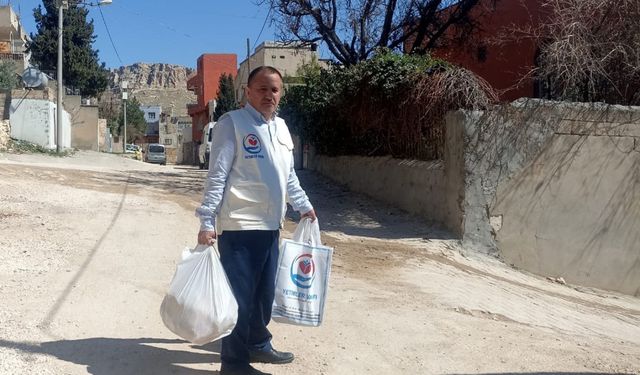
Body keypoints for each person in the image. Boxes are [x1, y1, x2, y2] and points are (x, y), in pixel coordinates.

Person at [196, 66, 316, 375]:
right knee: (240, 299)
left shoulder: (282, 128)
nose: (268, 95)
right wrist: (207, 220)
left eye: (274, 90)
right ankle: (234, 364)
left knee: (264, 296)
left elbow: (288, 177)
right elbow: (217, 176)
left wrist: (304, 206)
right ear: (247, 92)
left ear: (280, 94)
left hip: (271, 227)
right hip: (239, 227)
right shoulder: (231, 124)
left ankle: (258, 344)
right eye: (261, 89)